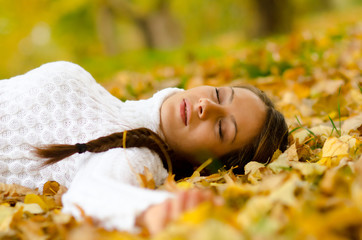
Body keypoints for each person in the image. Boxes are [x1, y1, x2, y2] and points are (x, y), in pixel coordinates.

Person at [0, 61, 288, 234]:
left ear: (209, 164)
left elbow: (91, 194)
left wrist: (154, 210)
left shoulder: (134, 153)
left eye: (222, 128)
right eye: (218, 94)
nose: (206, 106)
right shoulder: (111, 106)